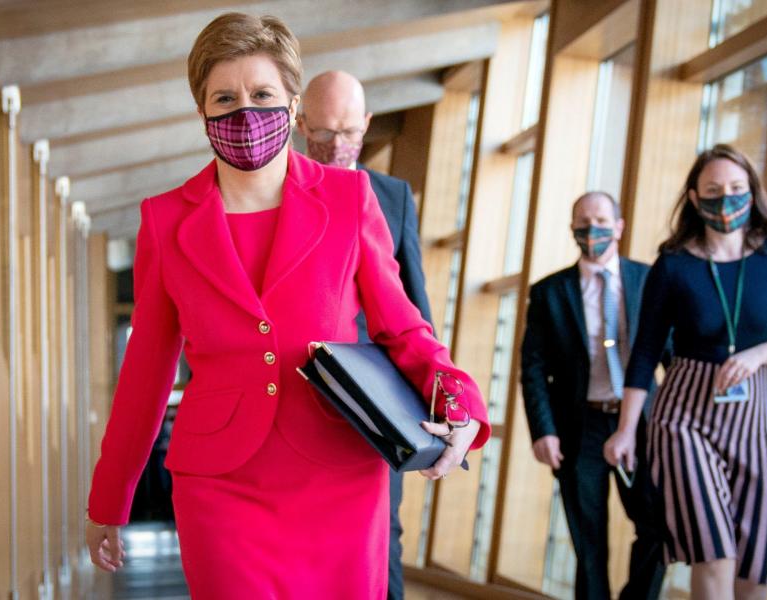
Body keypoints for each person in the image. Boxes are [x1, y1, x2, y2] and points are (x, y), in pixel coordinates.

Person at [83, 13, 490, 599]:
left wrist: (460, 400)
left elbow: (402, 325)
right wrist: (108, 497)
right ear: (202, 112)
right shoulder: (165, 221)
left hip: (341, 474)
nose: (243, 111)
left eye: (262, 94)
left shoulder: (352, 200)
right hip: (219, 484)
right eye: (224, 97)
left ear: (293, 106)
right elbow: (145, 373)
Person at [604, 145, 767, 600]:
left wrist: (760, 354)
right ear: (694, 197)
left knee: (756, 564)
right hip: (684, 416)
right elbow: (644, 353)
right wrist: (626, 431)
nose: (727, 200)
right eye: (714, 191)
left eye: (737, 190)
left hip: (754, 412)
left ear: (752, 192)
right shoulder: (674, 264)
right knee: (713, 549)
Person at [298, 69, 433, 600]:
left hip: (378, 395)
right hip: (301, 392)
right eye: (325, 133)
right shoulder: (273, 195)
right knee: (309, 537)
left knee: (383, 535)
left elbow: (414, 303)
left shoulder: (393, 196)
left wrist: (433, 396)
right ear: (300, 125)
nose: (337, 148)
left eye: (350, 133)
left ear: (368, 125)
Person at [520, 192, 667, 600]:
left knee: (659, 526)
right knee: (589, 541)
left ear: (619, 226)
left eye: (601, 220)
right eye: (582, 222)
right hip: (577, 429)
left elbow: (671, 354)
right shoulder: (549, 292)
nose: (592, 229)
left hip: (642, 425)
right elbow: (532, 369)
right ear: (572, 229)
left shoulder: (649, 280)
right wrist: (542, 431)